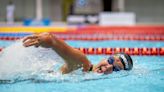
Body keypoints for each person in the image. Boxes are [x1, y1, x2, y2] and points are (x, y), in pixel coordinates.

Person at [23, 32, 133, 74]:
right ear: (105, 57)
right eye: (110, 60)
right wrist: (49, 40)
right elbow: (54, 41)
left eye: (116, 69)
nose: (108, 67)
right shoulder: (82, 63)